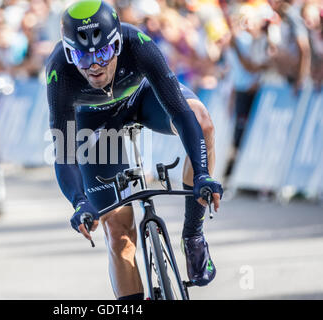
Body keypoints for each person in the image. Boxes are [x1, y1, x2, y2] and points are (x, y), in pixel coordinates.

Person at [45, 0, 223, 300]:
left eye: (102, 52)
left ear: (116, 44)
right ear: (67, 53)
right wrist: (79, 202)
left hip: (143, 98)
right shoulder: (59, 73)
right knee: (118, 232)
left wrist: (203, 174)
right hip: (96, 122)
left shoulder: (138, 44)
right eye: (82, 57)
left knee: (201, 121)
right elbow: (64, 153)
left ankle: (193, 233)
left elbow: (180, 113)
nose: (94, 66)